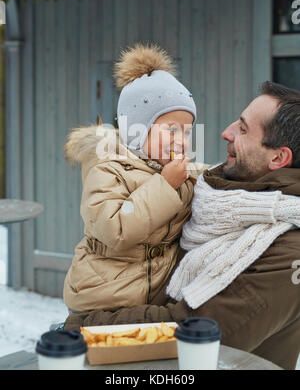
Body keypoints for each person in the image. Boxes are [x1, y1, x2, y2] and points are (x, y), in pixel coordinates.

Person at [64, 81, 300, 370]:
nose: (225, 132)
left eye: (242, 128)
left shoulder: (288, 249)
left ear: (278, 157)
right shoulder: (226, 198)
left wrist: (85, 328)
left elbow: (192, 331)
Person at [63, 43, 208, 313]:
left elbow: (207, 174)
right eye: (172, 130)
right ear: (137, 130)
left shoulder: (168, 168)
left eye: (187, 132)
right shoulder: (107, 169)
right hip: (103, 299)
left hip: (152, 297)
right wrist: (165, 185)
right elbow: (115, 229)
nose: (182, 140)